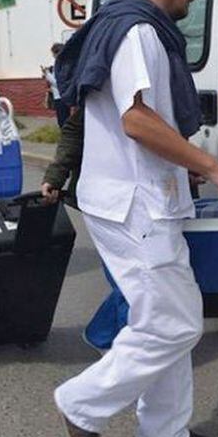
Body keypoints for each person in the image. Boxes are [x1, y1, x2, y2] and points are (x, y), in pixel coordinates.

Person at [51, 0, 218, 437]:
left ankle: (163, 433)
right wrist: (213, 167)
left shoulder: (133, 27)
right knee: (175, 323)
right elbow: (136, 119)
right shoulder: (138, 31)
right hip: (133, 202)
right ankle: (81, 405)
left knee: (165, 316)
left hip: (139, 199)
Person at [41, 110, 129, 353]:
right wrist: (56, 175)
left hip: (148, 197)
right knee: (131, 282)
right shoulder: (102, 77)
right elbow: (75, 130)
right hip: (106, 198)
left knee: (134, 282)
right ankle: (127, 353)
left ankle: (102, 335)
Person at [42, 43, 70, 128]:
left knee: (63, 120)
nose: (53, 56)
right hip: (58, 96)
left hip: (61, 96)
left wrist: (47, 74)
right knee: (62, 119)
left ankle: (66, 138)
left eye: (53, 53)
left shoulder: (62, 64)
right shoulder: (60, 64)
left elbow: (59, 83)